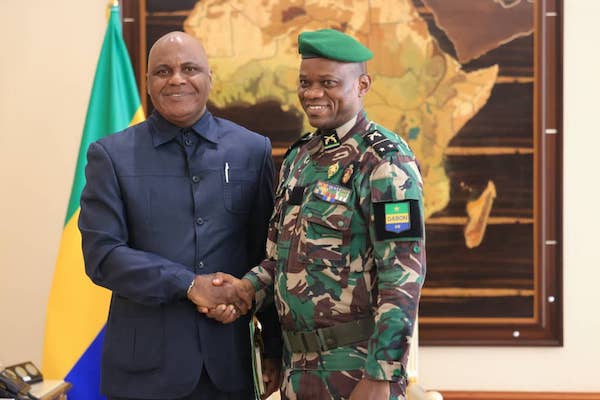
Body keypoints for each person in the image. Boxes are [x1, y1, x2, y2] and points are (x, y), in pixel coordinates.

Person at [208, 28, 427, 400]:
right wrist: (244, 290)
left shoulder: (385, 161)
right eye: (305, 82)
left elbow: (403, 273)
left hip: (357, 370)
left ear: (362, 85)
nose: (312, 93)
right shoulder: (300, 158)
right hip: (298, 370)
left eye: (328, 83)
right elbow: (280, 261)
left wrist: (383, 375)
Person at [78, 31, 282, 400]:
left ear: (209, 78)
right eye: (163, 71)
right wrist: (188, 285)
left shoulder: (252, 150)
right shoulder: (111, 156)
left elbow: (268, 254)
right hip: (143, 375)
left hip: (230, 366)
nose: (177, 79)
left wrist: (274, 347)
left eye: (190, 69)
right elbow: (102, 256)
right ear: (148, 82)